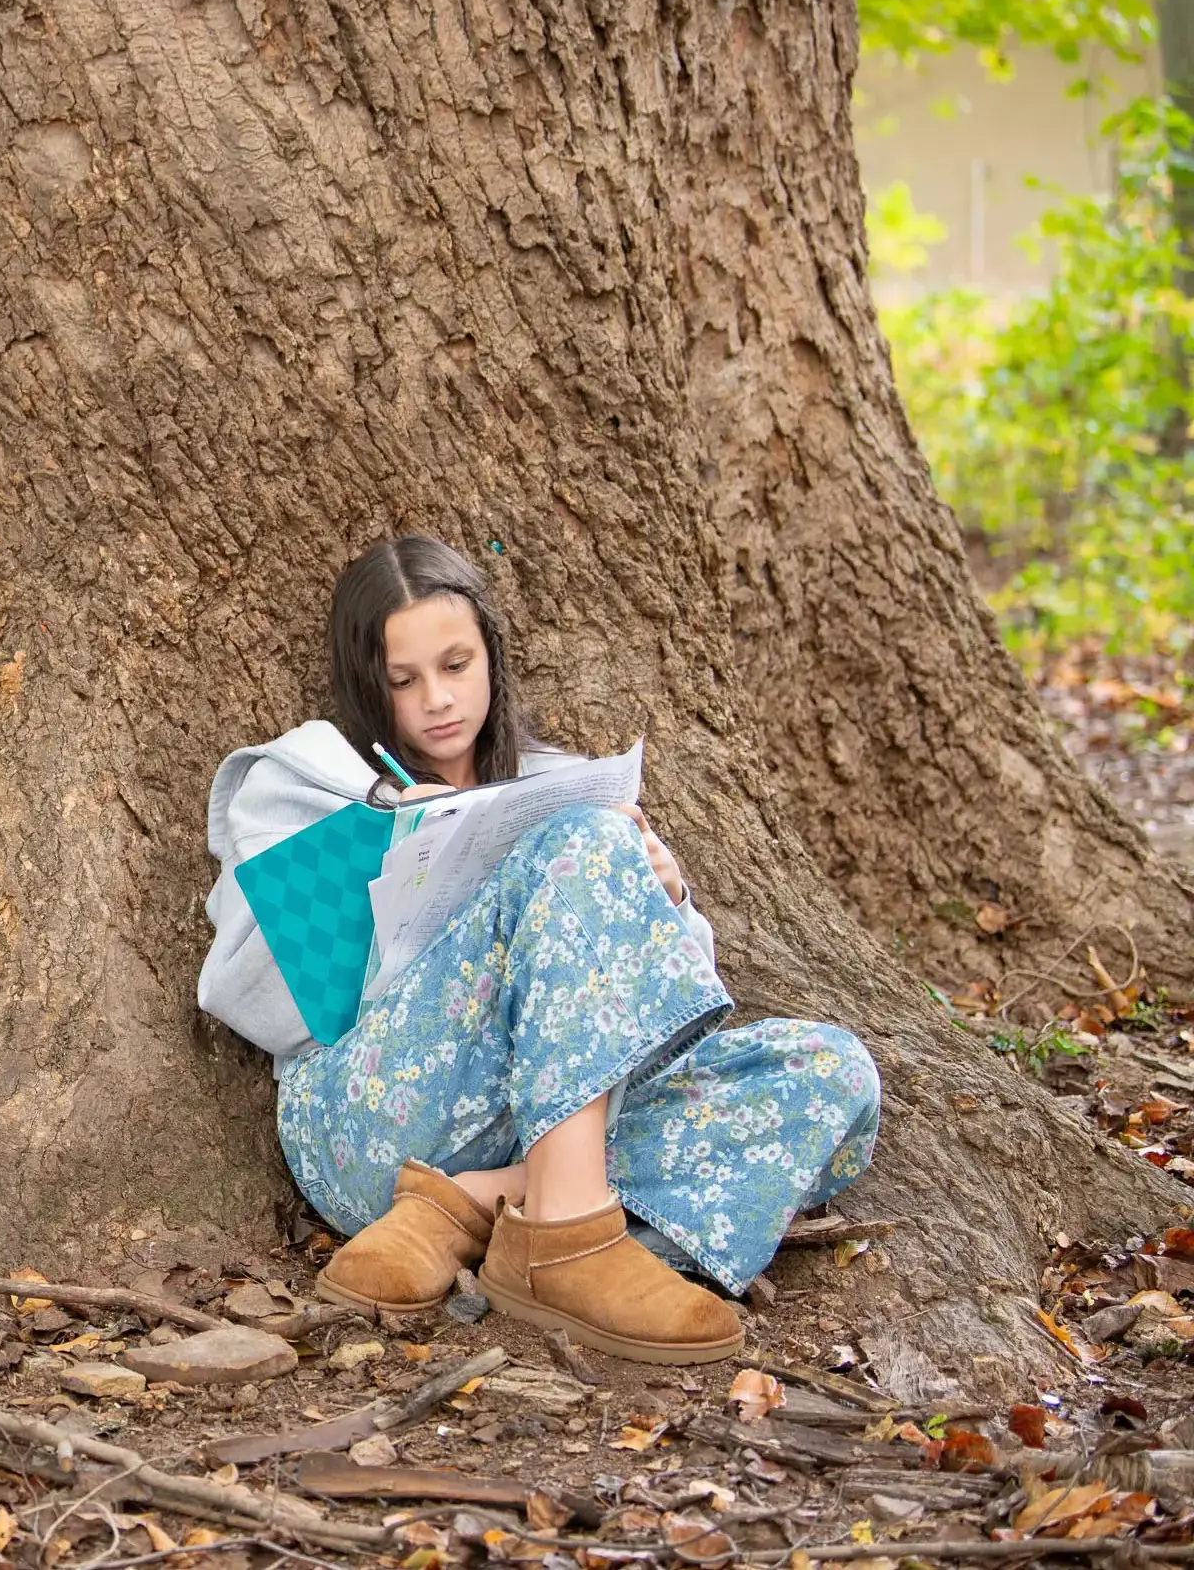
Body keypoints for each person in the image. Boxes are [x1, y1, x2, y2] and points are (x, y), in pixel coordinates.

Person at [197, 536, 880, 1365]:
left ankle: (478, 1209)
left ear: (492, 653)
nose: (436, 701)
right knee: (581, 843)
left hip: (529, 1133)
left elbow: (658, 1029)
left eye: (457, 665)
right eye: (403, 680)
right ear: (364, 684)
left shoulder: (559, 789)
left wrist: (667, 896)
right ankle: (566, 1236)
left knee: (832, 1074)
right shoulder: (308, 779)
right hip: (368, 1123)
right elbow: (245, 993)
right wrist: (387, 850)